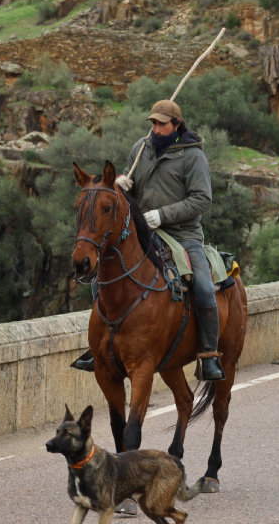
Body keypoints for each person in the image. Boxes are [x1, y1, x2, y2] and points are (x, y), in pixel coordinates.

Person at [73, 99, 224, 382]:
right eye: (153, 123)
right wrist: (119, 185)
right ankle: (100, 346)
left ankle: (209, 353)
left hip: (183, 234)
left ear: (176, 125)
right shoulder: (140, 149)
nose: (155, 128)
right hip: (143, 230)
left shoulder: (193, 157)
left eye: (161, 124)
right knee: (101, 277)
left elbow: (202, 199)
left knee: (203, 286)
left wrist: (163, 215)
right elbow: (127, 192)